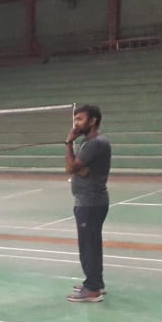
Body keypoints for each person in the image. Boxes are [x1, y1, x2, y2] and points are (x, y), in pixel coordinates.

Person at [65, 104, 112, 302]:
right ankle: (95, 282)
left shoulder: (95, 143)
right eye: (75, 119)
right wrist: (79, 170)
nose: (76, 123)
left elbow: (71, 167)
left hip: (90, 203)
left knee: (88, 246)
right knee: (92, 244)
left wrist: (68, 143)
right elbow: (79, 169)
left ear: (93, 121)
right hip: (91, 201)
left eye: (81, 119)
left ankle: (92, 289)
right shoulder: (90, 142)